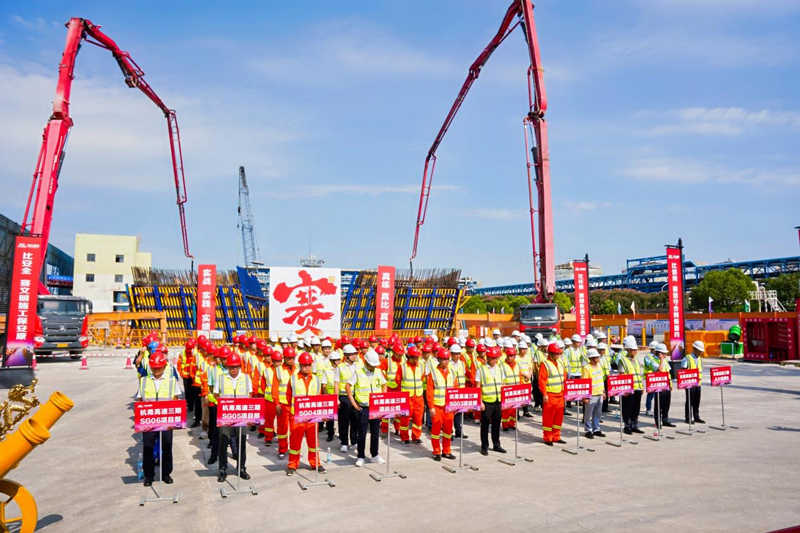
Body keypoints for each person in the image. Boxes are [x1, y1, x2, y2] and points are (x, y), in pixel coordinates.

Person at [136, 352, 179, 487]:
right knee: (148, 447)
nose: (157, 370)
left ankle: (166, 473)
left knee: (167, 446)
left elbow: (175, 400)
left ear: (164, 366)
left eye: (159, 367)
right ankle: (149, 475)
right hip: (149, 420)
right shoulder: (144, 381)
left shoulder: (171, 381)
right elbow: (140, 400)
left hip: (166, 420)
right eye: (154, 368)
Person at [214, 347, 253, 483]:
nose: (234, 370)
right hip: (226, 415)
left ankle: (241, 467)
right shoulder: (221, 378)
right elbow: (216, 395)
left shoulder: (246, 378)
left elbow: (250, 395)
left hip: (242, 415)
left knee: (241, 441)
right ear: (227, 366)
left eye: (236, 367)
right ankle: (222, 468)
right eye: (231, 367)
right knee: (223, 441)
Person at [285, 352, 326, 476]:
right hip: (297, 417)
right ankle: (292, 465)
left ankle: (315, 463)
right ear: (300, 365)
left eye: (309, 365)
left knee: (313, 442)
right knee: (295, 442)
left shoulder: (317, 379)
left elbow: (319, 397)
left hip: (312, 417)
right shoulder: (293, 379)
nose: (307, 367)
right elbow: (288, 397)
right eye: (304, 365)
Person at [346, 349, 387, 467]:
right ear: (366, 363)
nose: (373, 367)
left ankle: (375, 455)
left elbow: (384, 384)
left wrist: (382, 398)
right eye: (371, 365)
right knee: (362, 433)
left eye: (375, 365)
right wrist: (353, 402)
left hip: (375, 408)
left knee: (375, 432)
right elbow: (348, 386)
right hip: (363, 408)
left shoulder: (378, 372)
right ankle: (360, 456)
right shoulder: (358, 372)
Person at [477, 347, 507, 455]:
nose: (494, 360)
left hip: (498, 400)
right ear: (488, 358)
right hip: (486, 401)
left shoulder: (499, 368)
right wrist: (479, 401)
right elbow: (478, 387)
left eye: (496, 358)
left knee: (496, 423)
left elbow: (503, 384)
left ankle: (496, 445)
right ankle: (484, 446)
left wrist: (505, 399)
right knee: (485, 424)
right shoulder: (481, 369)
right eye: (492, 358)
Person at [428, 348, 456, 461]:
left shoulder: (452, 372)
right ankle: (436, 451)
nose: (446, 361)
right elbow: (430, 391)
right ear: (439, 360)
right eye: (443, 359)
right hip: (437, 406)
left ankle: (447, 451)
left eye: (447, 359)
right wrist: (431, 407)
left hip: (448, 407)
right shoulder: (433, 373)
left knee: (448, 430)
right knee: (436, 430)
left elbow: (455, 389)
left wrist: (455, 405)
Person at [539, 342, 567, 446]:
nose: (558, 355)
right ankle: (547, 437)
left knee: (559, 417)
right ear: (550, 353)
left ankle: (556, 436)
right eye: (556, 353)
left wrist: (566, 393)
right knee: (548, 417)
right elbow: (542, 380)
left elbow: (564, 378)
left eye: (559, 353)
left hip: (560, 394)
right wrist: (544, 394)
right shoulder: (545, 364)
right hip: (550, 395)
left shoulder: (560, 363)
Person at [397, 346, 425, 445]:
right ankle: (404, 437)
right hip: (407, 397)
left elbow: (421, 378)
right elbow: (398, 380)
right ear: (410, 357)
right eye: (416, 358)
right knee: (405, 419)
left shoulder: (421, 366)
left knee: (418, 418)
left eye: (418, 357)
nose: (417, 359)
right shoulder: (403, 366)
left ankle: (416, 437)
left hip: (418, 396)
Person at [273, 346, 298, 459]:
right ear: (284, 358)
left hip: (295, 404)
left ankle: (294, 449)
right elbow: (275, 388)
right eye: (289, 358)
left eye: (293, 358)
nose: (291, 360)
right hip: (283, 404)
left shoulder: (298, 369)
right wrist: (277, 403)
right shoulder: (278, 370)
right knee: (282, 428)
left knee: (295, 429)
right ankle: (282, 449)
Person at [616, 338, 644, 435]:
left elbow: (638, 374)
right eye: (633, 350)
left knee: (636, 408)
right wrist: (624, 389)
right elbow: (621, 375)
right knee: (627, 408)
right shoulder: (622, 360)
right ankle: (627, 426)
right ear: (627, 350)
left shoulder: (636, 360)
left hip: (637, 388)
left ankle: (634, 425)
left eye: (635, 350)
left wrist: (641, 387)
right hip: (628, 390)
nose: (635, 351)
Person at [334, 344, 360, 452]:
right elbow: (336, 383)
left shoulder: (359, 366)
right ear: (346, 356)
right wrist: (336, 399)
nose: (354, 356)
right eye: (352, 354)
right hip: (344, 397)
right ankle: (344, 442)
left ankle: (354, 441)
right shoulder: (340, 367)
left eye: (355, 354)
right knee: (344, 421)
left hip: (356, 396)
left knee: (355, 419)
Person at [581, 349, 606, 439]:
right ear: (591, 358)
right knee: (588, 414)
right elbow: (584, 383)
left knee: (597, 413)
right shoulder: (586, 368)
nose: (598, 358)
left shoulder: (599, 366)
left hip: (599, 393)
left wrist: (603, 391)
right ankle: (588, 430)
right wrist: (585, 396)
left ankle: (596, 429)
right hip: (591, 395)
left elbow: (600, 379)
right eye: (596, 357)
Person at [682, 340, 706, 424]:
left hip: (698, 384)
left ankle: (696, 417)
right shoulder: (687, 358)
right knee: (690, 401)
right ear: (694, 349)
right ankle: (688, 418)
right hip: (689, 384)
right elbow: (683, 371)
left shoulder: (699, 359)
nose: (700, 353)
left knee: (696, 401)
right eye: (699, 351)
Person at [652, 343, 675, 428]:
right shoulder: (653, 361)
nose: (665, 355)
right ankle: (658, 421)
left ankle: (665, 419)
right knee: (659, 405)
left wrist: (670, 384)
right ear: (659, 353)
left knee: (666, 404)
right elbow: (660, 370)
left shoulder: (665, 361)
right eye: (664, 353)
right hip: (658, 386)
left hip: (666, 386)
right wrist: (661, 360)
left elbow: (668, 373)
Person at [449, 344, 469, 439]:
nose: (457, 356)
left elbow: (463, 376)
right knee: (450, 413)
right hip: (452, 392)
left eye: (458, 354)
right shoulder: (448, 364)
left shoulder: (462, 363)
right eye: (455, 354)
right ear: (451, 354)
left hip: (461, 391)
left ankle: (459, 431)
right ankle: (448, 432)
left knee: (459, 412)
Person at [500, 345, 521, 432]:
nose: (510, 357)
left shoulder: (517, 365)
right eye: (509, 355)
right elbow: (501, 379)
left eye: (512, 356)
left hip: (515, 391)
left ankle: (512, 424)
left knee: (514, 409)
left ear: (515, 356)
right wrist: (504, 389)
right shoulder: (502, 365)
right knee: (506, 410)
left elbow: (519, 376)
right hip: (507, 391)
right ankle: (505, 425)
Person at [644, 341, 659, 416]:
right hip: (650, 377)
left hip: (657, 377)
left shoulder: (657, 357)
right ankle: (648, 409)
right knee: (651, 394)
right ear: (653, 349)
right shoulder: (648, 357)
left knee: (657, 394)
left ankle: (657, 409)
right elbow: (653, 367)